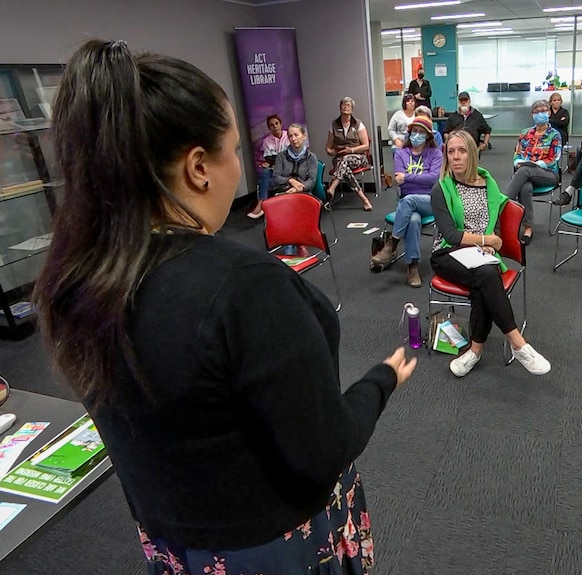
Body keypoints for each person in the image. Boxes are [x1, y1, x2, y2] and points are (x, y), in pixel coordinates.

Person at [33, 40, 416, 574]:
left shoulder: (74, 278)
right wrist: (380, 381)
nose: (241, 165)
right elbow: (324, 450)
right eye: (235, 151)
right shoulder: (245, 288)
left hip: (172, 538)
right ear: (198, 168)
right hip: (267, 545)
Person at [430, 130, 551, 378]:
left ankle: (475, 351)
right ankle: (517, 342)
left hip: (480, 255)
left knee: (483, 280)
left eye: (461, 151)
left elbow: (494, 220)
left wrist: (489, 242)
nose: (455, 157)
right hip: (448, 253)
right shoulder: (441, 189)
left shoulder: (489, 183)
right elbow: (451, 235)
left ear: (472, 154)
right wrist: (488, 240)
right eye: (451, 152)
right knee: (486, 275)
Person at [371, 116, 442, 288]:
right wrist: (418, 178)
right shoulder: (401, 154)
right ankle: (412, 265)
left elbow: (433, 179)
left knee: (409, 200)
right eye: (414, 131)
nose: (416, 135)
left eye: (421, 132)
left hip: (430, 201)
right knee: (413, 220)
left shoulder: (436, 154)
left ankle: (392, 244)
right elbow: (398, 179)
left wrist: (408, 177)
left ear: (428, 136)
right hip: (408, 204)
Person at [504, 99, 562, 245]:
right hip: (527, 172)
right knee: (525, 187)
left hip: (548, 174)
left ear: (549, 113)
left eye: (543, 111)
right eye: (536, 112)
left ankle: (502, 206)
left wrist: (537, 164)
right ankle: (528, 228)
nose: (540, 115)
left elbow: (554, 158)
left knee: (524, 172)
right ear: (532, 115)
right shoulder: (525, 133)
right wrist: (518, 161)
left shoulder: (555, 135)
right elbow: (517, 153)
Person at [325, 96, 374, 211]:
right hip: (340, 158)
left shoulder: (358, 124)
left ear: (352, 109)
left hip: (359, 157)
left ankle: (332, 187)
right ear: (340, 107)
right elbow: (328, 148)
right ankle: (365, 200)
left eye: (348, 105)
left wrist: (351, 150)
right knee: (344, 167)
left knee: (344, 161)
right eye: (344, 104)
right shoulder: (334, 125)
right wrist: (335, 151)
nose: (346, 106)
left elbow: (366, 145)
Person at [248, 113, 289, 218]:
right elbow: (269, 158)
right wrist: (275, 160)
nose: (275, 126)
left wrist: (275, 160)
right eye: (272, 125)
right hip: (274, 170)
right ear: (269, 128)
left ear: (281, 124)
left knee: (269, 168)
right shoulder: (266, 141)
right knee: (265, 171)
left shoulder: (289, 136)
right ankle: (261, 203)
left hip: (288, 169)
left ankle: (263, 204)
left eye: (276, 123)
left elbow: (289, 156)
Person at [271, 123, 318, 194]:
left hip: (303, 192)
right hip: (284, 191)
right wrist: (290, 180)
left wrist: (298, 189)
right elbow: (276, 177)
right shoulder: (281, 156)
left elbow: (312, 180)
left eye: (296, 135)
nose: (293, 139)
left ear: (304, 136)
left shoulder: (311, 157)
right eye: (290, 136)